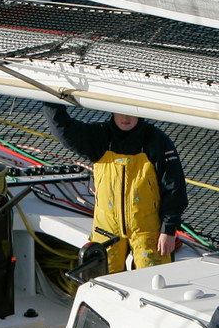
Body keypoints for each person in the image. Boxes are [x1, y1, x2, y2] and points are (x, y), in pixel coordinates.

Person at [43, 103, 188, 273]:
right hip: (107, 230)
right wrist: (51, 101)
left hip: (149, 232)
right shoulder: (100, 136)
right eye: (120, 111)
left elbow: (174, 186)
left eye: (131, 112)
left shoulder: (156, 140)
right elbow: (63, 130)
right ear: (112, 110)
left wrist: (168, 230)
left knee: (153, 282)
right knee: (102, 283)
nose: (125, 118)